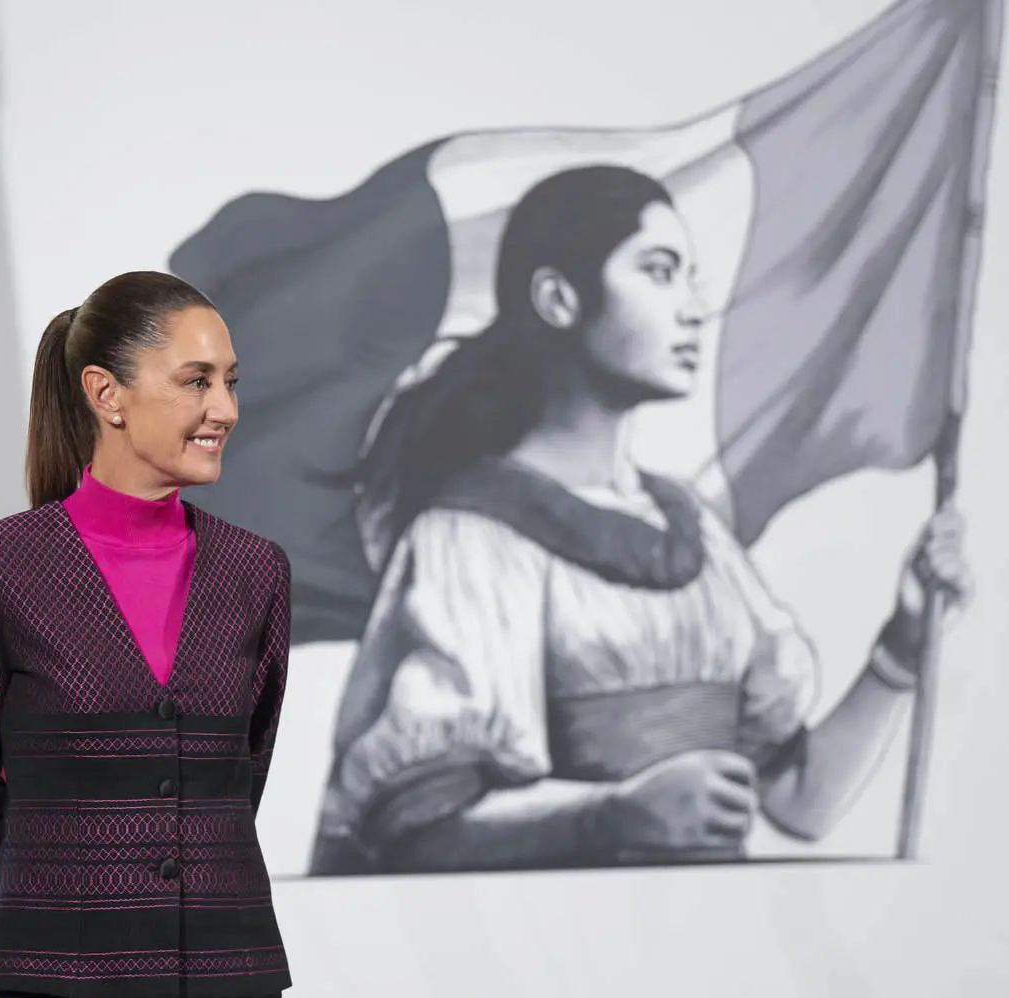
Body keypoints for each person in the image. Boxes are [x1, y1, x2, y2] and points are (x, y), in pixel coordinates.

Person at [309, 165, 972, 875]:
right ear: (559, 299)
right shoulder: (471, 536)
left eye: (690, 276)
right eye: (659, 272)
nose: (693, 308)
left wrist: (901, 649)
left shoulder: (693, 531)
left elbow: (797, 802)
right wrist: (613, 813)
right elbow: (418, 832)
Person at [0, 271, 292, 997]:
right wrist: (42, 912)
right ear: (105, 394)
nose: (226, 409)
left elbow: (241, 771)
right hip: (57, 978)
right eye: (196, 382)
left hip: (231, 971)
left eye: (230, 382)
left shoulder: (258, 571)